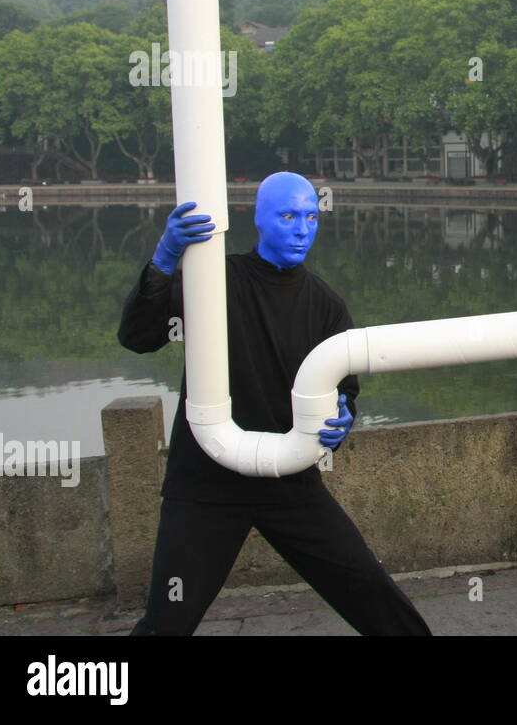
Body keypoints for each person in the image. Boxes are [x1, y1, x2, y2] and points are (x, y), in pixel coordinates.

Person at [118, 171, 431, 635]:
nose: (302, 228)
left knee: (370, 589)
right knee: (168, 621)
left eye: (310, 216)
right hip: (205, 484)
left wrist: (342, 418)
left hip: (289, 482)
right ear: (260, 220)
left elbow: (345, 388)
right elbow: (138, 338)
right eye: (288, 216)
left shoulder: (326, 305)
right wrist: (165, 260)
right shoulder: (214, 281)